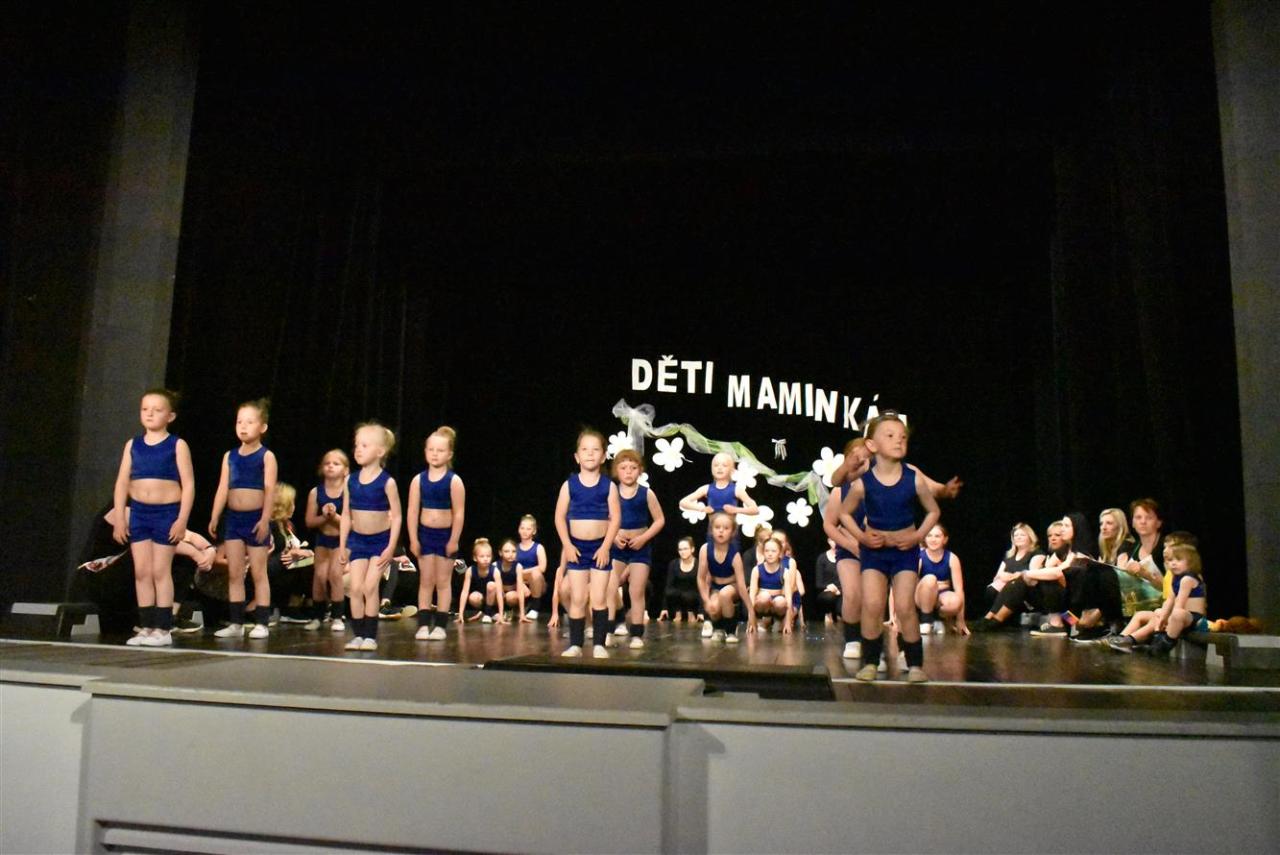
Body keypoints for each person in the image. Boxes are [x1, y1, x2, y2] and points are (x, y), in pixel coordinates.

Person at [839, 413, 941, 683]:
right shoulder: (863, 482)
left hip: (905, 552)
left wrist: (917, 536)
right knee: (872, 605)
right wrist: (862, 537)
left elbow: (933, 511)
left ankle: (915, 664)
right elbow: (844, 514)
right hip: (874, 552)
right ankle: (871, 661)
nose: (899, 441)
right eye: (890, 436)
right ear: (872, 445)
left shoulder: (913, 479)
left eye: (903, 437)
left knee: (905, 606)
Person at [110, 389, 196, 646]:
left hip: (166, 513)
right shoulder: (133, 445)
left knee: (160, 570)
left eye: (157, 410)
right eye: (145, 409)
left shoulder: (177, 445)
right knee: (142, 571)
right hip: (139, 512)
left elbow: (189, 485)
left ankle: (164, 628)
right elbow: (122, 482)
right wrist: (120, 518)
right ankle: (146, 626)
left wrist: (181, 520)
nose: (150, 414)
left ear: (170, 416)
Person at [208, 398, 277, 640]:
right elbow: (222, 487)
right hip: (234, 520)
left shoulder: (266, 456)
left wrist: (265, 519)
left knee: (258, 572)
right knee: (235, 573)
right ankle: (236, 623)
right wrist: (215, 514)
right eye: (239, 422)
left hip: (255, 519)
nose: (243, 427)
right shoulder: (230, 456)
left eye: (250, 422)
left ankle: (262, 622)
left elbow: (270, 488)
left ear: (263, 427)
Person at [554, 429, 621, 658]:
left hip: (599, 548)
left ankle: (599, 644)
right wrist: (567, 545)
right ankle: (576, 644)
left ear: (603, 456)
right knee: (578, 598)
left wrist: (605, 547)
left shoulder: (609, 486)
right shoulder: (569, 485)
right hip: (577, 548)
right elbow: (559, 517)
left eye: (595, 450)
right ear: (577, 456)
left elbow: (615, 519)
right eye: (585, 449)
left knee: (599, 598)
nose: (590, 454)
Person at [339, 422, 402, 652]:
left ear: (380, 451)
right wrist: (343, 545)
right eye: (357, 445)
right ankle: (358, 634)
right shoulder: (350, 480)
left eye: (364, 445)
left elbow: (397, 517)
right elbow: (347, 514)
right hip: (358, 541)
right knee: (355, 588)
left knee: (369, 586)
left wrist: (391, 547)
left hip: (380, 542)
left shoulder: (388, 482)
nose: (358, 450)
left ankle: (370, 636)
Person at [407, 426, 466, 641]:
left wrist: (454, 539)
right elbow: (412, 511)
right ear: (425, 451)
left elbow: (458, 513)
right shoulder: (418, 480)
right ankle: (423, 624)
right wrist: (413, 539)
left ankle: (440, 625)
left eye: (440, 450)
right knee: (426, 580)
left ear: (449, 454)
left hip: (445, 536)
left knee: (442, 581)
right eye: (431, 449)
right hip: (425, 535)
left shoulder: (454, 481)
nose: (434, 454)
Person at [1107, 543, 1207, 656]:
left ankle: (1163, 643)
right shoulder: (1176, 579)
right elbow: (1170, 600)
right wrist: (1162, 618)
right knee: (1154, 613)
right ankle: (1122, 638)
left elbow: (1179, 603)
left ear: (1191, 561)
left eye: (1178, 560)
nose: (1173, 563)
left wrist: (1166, 618)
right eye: (1170, 560)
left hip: (1195, 619)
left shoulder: (1187, 579)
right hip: (1180, 616)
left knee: (1177, 614)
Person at [609, 449, 665, 648]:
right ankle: (609, 628)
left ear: (640, 470)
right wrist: (614, 536)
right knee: (609, 587)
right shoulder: (611, 492)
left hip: (640, 548)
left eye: (633, 468)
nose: (628, 472)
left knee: (636, 590)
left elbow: (659, 520)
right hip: (618, 548)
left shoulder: (646, 493)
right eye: (623, 468)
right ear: (616, 470)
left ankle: (636, 634)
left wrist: (643, 538)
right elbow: (605, 518)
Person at [972, 520, 1072, 632]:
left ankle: (996, 620)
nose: (1052, 538)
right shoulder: (1054, 555)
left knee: (1027, 581)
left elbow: (1058, 575)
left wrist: (1023, 574)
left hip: (1068, 610)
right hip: (1054, 606)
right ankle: (991, 618)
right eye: (1050, 536)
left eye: (1057, 535)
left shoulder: (1072, 555)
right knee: (1018, 583)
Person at [303, 449, 349, 631]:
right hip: (323, 539)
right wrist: (324, 516)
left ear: (345, 470)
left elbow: (352, 523)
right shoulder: (316, 492)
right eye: (327, 463)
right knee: (320, 576)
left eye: (336, 464)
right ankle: (317, 615)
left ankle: (337, 616)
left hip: (341, 540)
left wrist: (334, 516)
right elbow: (309, 521)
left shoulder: (349, 491)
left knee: (335, 574)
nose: (330, 466)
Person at [678, 452, 758, 542]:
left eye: (724, 465)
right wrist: (702, 508)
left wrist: (736, 510)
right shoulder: (706, 488)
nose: (719, 468)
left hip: (731, 537)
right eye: (716, 465)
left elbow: (755, 509)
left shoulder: (737, 490)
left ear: (731, 470)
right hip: (712, 536)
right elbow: (683, 502)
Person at [697, 512, 749, 644]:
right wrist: (706, 601)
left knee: (725, 594)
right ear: (711, 530)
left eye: (726, 528)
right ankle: (719, 628)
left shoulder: (734, 554)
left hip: (733, 587)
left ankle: (731, 630)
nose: (721, 531)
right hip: (716, 587)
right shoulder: (705, 549)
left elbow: (742, 585)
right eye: (717, 527)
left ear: (732, 532)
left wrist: (751, 612)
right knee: (714, 606)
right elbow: (701, 579)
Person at [266, 482, 314, 622]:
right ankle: (288, 608)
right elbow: (266, 558)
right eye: (291, 502)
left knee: (315, 562)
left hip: (286, 571)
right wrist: (290, 554)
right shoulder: (269, 526)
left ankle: (301, 606)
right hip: (268, 571)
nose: (294, 506)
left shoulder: (288, 526)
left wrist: (302, 553)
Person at [1114, 498, 1168, 618]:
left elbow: (1174, 588)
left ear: (1159, 523)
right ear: (1133, 523)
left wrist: (1146, 574)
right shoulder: (1133, 549)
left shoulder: (1167, 547)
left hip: (1166, 610)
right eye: (1138, 517)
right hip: (1140, 609)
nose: (1143, 522)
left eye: (1149, 518)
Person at [915, 524, 967, 635]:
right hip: (921, 597)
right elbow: (907, 585)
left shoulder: (952, 558)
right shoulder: (919, 557)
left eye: (937, 536)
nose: (933, 539)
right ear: (925, 538)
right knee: (930, 579)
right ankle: (925, 621)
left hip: (941, 597)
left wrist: (960, 620)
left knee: (956, 601)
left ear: (945, 539)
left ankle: (937, 619)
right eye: (929, 536)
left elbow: (959, 589)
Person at [982, 523, 1040, 614]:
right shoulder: (1009, 555)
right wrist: (1012, 576)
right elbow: (997, 576)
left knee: (1010, 588)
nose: (1018, 537)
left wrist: (1011, 577)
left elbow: (1032, 577)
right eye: (1016, 535)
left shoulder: (1037, 553)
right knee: (991, 589)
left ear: (1030, 537)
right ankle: (995, 616)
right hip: (1005, 588)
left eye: (1022, 535)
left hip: (1025, 592)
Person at [748, 535, 793, 634]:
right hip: (762, 605)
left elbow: (789, 599)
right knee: (764, 596)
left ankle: (778, 620)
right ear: (763, 552)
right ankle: (760, 620)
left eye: (773, 551)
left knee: (781, 601)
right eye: (767, 551)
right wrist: (751, 621)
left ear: (780, 553)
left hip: (777, 605)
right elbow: (751, 597)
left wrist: (788, 622)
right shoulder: (757, 570)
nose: (770, 554)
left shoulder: (784, 572)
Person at [658, 536, 702, 624]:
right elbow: (668, 585)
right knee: (671, 592)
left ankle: (691, 614)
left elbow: (702, 588)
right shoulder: (674, 564)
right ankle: (678, 613)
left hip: (693, 598)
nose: (682, 552)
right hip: (678, 598)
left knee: (688, 595)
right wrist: (664, 608)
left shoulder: (699, 565)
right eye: (680, 549)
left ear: (692, 549)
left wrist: (701, 612)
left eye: (685, 549)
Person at [457, 538, 502, 623]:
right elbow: (465, 592)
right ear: (475, 558)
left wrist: (501, 614)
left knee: (491, 585)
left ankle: (489, 613)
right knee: (473, 597)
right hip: (482, 598)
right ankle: (489, 613)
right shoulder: (470, 570)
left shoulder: (495, 571)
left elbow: (499, 593)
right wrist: (460, 614)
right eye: (482, 556)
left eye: (488, 556)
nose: (485, 559)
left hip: (495, 598)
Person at [515, 514, 548, 619]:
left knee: (536, 574)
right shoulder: (514, 548)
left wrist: (523, 572)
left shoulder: (538, 547)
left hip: (536, 581)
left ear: (534, 531)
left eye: (528, 529)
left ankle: (535, 608)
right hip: (519, 582)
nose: (525, 531)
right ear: (519, 529)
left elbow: (542, 567)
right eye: (522, 528)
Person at [494, 538, 530, 622]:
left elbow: (520, 589)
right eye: (507, 551)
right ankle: (494, 613)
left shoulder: (518, 567)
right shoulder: (495, 566)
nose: (510, 554)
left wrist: (522, 614)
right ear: (500, 553)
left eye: (513, 551)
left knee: (512, 596)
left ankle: (515, 610)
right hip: (499, 593)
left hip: (512, 593)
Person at [813, 539, 841, 625]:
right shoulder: (822, 558)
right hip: (828, 591)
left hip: (842, 591)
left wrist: (839, 590)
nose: (835, 542)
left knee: (842, 607)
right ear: (828, 541)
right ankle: (828, 614)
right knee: (828, 597)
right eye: (832, 540)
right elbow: (819, 583)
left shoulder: (845, 558)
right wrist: (830, 587)